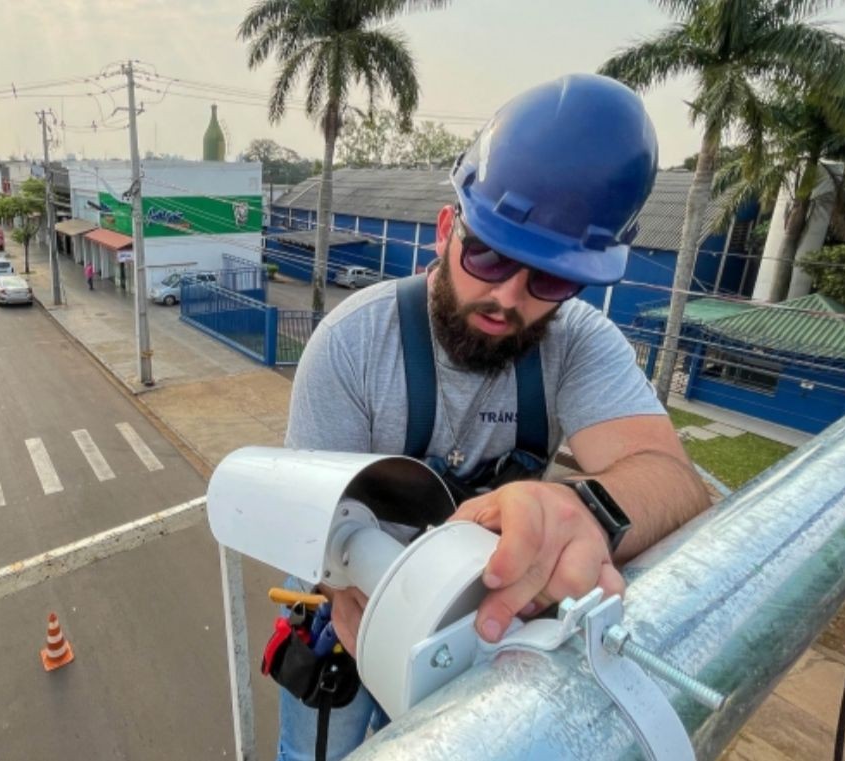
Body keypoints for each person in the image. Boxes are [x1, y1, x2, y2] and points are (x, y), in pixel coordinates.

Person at [278, 73, 711, 760]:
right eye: (487, 254)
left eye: (549, 277)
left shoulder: (577, 343)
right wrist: (346, 587)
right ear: (447, 229)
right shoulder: (354, 343)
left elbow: (673, 479)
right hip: (350, 616)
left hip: (474, 626)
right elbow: (306, 523)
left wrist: (586, 511)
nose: (506, 296)